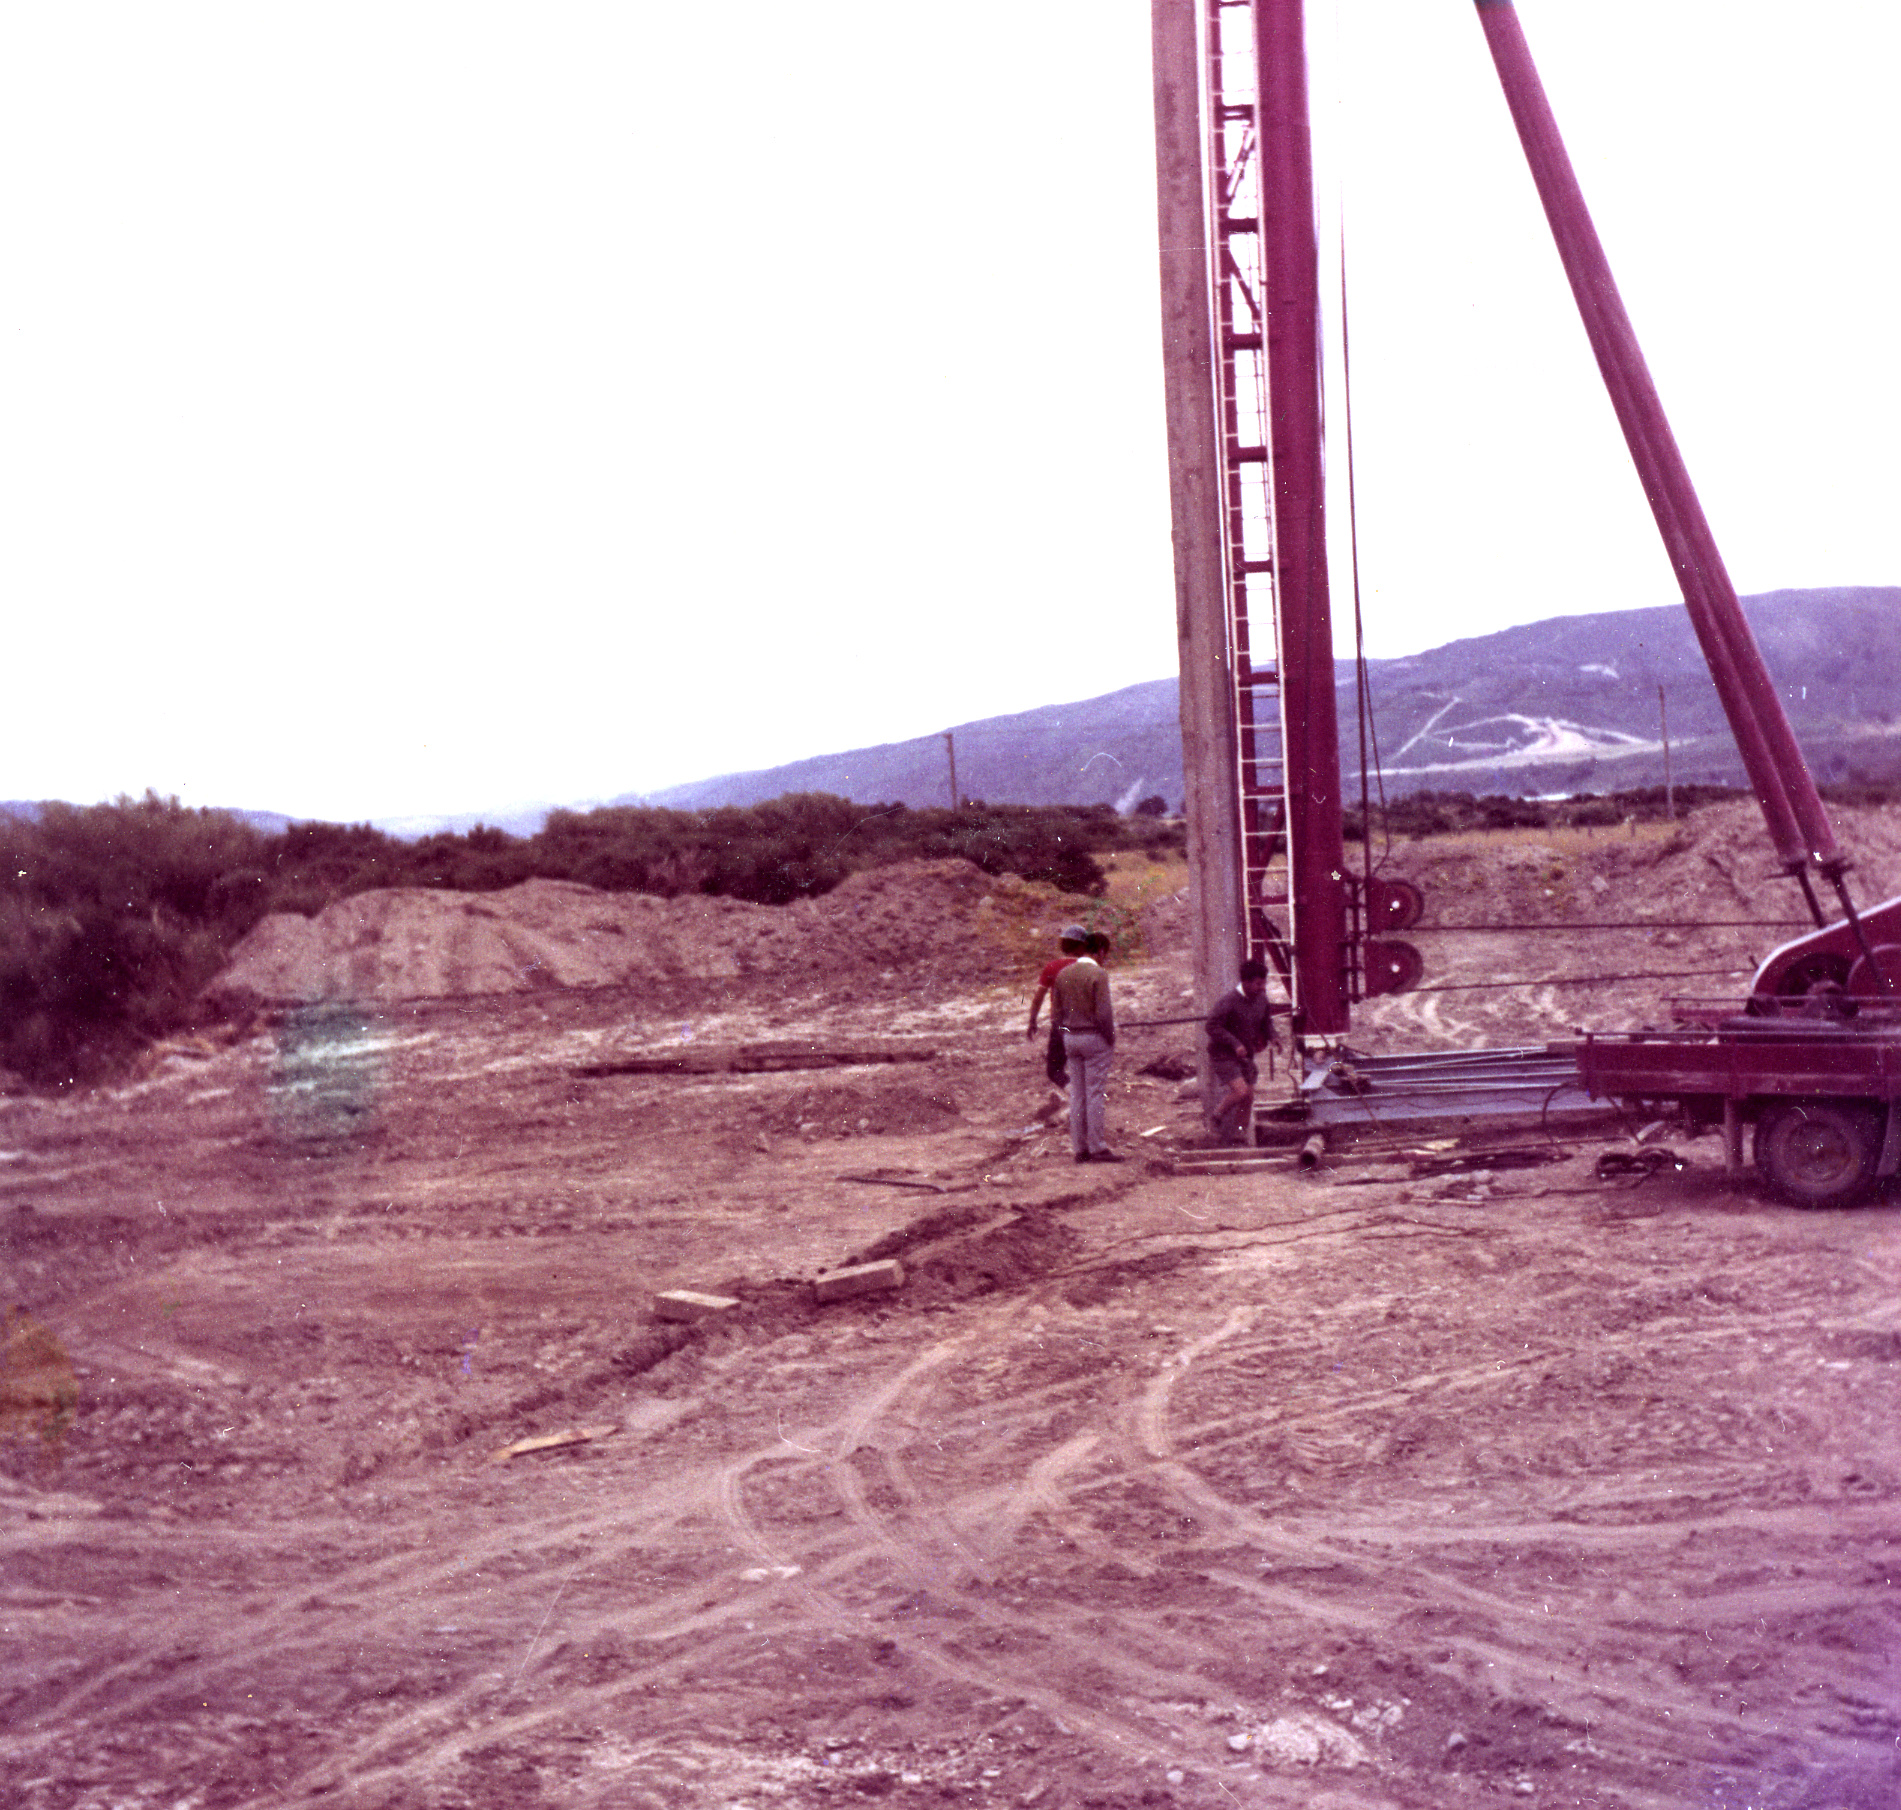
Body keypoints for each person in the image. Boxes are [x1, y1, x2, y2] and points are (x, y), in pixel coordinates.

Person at [1050, 924, 1121, 1163]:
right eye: (1105, 954)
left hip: (1071, 1038)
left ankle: (1079, 1148)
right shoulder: (1098, 975)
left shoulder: (1063, 974)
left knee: (1077, 1095)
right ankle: (1098, 1147)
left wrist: (1067, 1035)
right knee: (1095, 1094)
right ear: (1100, 951)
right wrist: (1110, 1038)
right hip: (1094, 1037)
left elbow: (1056, 1015)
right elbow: (1103, 1014)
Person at [1205, 957, 1278, 1146]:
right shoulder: (1228, 1001)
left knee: (1249, 1097)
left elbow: (1266, 1022)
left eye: (1264, 983)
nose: (1262, 988)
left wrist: (1274, 1037)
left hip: (1246, 1056)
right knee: (1241, 1091)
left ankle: (1239, 1135)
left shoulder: (1261, 999)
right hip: (1223, 1055)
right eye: (1258, 984)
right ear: (1245, 983)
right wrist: (1234, 1043)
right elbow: (1212, 1026)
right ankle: (1216, 1116)